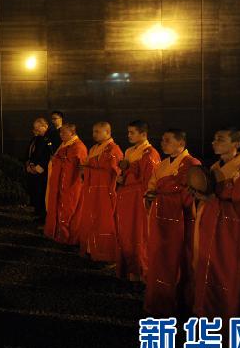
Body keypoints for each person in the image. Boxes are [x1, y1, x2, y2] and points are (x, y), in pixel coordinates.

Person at [190, 128, 240, 320]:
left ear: (236, 144)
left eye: (221, 139)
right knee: (208, 275)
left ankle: (230, 327)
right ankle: (208, 320)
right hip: (211, 234)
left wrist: (212, 201)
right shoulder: (215, 169)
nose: (214, 142)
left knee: (230, 283)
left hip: (232, 240)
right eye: (214, 138)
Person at [143, 129, 201, 317]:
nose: (163, 143)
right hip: (160, 218)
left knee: (180, 260)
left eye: (168, 140)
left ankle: (180, 303)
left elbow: (191, 196)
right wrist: (151, 195)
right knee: (159, 256)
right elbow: (151, 185)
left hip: (181, 222)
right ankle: (159, 298)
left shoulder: (192, 164)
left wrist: (163, 195)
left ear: (181, 144)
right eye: (162, 139)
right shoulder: (161, 165)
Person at [114, 120, 160, 281]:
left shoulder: (150, 154)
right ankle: (128, 269)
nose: (129, 135)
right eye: (128, 132)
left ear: (144, 134)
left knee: (138, 233)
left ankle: (141, 270)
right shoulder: (128, 151)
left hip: (138, 199)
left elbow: (150, 180)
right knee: (126, 232)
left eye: (132, 132)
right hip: (126, 197)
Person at [78, 122, 123, 263]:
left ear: (107, 132)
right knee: (91, 220)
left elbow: (117, 173)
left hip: (105, 193)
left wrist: (88, 169)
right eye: (93, 131)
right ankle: (92, 250)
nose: (94, 134)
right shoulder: (93, 149)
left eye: (98, 131)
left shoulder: (114, 150)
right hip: (91, 191)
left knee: (105, 222)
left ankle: (107, 255)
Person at [44, 123, 87, 244]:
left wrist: (56, 160)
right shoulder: (64, 145)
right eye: (60, 132)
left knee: (68, 210)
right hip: (60, 184)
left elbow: (76, 167)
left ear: (72, 133)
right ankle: (57, 233)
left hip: (71, 185)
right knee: (58, 208)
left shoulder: (78, 147)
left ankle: (67, 237)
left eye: (64, 132)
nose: (61, 134)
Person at [24, 118, 53, 223]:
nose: (36, 130)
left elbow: (48, 155)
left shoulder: (48, 139)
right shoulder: (37, 138)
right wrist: (30, 164)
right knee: (36, 191)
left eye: (38, 128)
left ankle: (43, 215)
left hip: (43, 171)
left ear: (44, 126)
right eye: (34, 128)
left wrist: (39, 167)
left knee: (42, 192)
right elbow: (31, 152)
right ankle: (38, 211)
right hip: (34, 168)